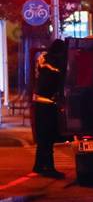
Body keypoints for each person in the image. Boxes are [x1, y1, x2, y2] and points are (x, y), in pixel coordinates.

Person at [32, 39, 66, 178]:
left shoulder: (43, 59)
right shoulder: (56, 63)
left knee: (43, 137)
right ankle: (49, 167)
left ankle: (39, 165)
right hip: (48, 104)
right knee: (48, 137)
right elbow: (60, 80)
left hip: (40, 102)